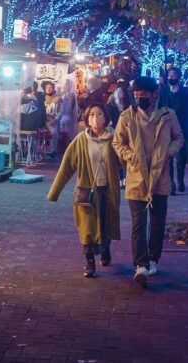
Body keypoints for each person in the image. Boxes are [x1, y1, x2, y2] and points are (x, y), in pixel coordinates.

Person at [112, 75, 184, 286]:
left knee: (158, 222)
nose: (139, 99)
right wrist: (129, 155)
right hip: (136, 177)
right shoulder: (127, 117)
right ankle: (140, 264)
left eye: (143, 95)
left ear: (154, 95)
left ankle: (153, 258)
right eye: (136, 95)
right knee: (138, 223)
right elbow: (118, 142)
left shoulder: (168, 115)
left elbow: (179, 138)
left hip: (160, 178)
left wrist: (169, 153)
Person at [46, 104, 121, 277]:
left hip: (107, 191)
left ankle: (105, 250)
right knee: (87, 228)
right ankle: (89, 262)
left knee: (106, 225)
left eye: (100, 114)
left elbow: (124, 160)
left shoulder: (113, 139)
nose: (96, 118)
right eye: (92, 114)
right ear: (87, 118)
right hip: (86, 192)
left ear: (106, 117)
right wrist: (54, 193)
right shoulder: (81, 140)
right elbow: (66, 166)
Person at [157, 66, 188, 194]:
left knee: (180, 157)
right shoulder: (163, 91)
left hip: (182, 128)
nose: (171, 77)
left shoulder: (186, 92)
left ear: (179, 77)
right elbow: (159, 106)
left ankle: (180, 180)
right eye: (170, 75)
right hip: (167, 127)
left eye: (174, 75)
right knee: (168, 156)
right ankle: (171, 184)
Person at [42, 81, 63, 158]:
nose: (49, 89)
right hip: (44, 121)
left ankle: (53, 151)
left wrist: (54, 120)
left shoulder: (58, 98)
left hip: (54, 121)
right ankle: (41, 150)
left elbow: (61, 112)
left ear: (54, 88)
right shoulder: (42, 98)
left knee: (54, 133)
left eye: (51, 87)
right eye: (47, 87)